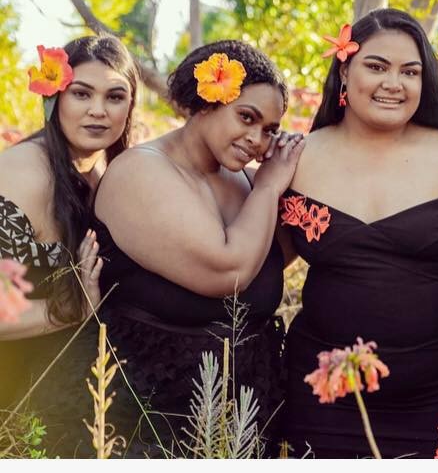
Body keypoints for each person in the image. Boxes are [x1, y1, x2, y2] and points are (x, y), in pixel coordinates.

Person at [279, 8, 438, 458]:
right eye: (376, 66)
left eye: (409, 72)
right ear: (344, 70)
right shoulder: (295, 158)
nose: (393, 83)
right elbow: (264, 263)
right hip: (324, 389)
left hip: (435, 391)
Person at [91, 40, 304, 457]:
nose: (257, 140)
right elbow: (230, 272)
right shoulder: (140, 171)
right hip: (152, 425)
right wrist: (270, 185)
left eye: (270, 130)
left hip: (247, 419)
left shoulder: (240, 179)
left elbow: (268, 259)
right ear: (207, 101)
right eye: (247, 117)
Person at [0, 35, 137, 456]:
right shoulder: (24, 173)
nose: (98, 110)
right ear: (55, 97)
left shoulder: (102, 176)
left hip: (74, 396)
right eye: (81, 93)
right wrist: (74, 308)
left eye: (115, 96)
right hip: (16, 399)